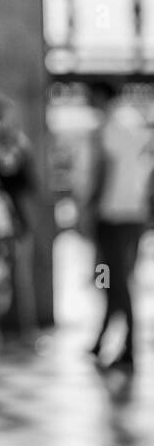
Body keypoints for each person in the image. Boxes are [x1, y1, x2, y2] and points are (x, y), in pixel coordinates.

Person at [83, 81, 151, 371]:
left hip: (112, 215)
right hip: (134, 214)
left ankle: (130, 348)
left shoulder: (110, 126)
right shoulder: (137, 122)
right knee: (116, 280)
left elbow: (103, 171)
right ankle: (106, 341)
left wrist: (89, 207)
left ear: (101, 96)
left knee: (115, 282)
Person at [0, 95, 45, 342]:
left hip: (17, 222)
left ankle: (25, 331)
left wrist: (15, 156)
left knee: (20, 278)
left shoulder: (20, 146)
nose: (2, 125)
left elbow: (29, 184)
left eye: (6, 119)